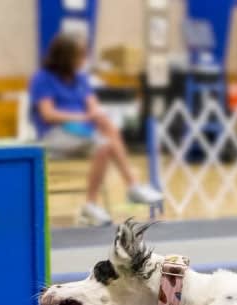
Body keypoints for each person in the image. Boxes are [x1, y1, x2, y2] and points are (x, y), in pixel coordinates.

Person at [30, 33, 163, 226]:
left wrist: (97, 115)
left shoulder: (81, 78)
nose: (84, 59)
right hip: (56, 134)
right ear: (66, 57)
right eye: (80, 55)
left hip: (83, 133)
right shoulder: (43, 78)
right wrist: (83, 117)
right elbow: (48, 114)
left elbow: (92, 105)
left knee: (107, 133)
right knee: (104, 143)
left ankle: (118, 193)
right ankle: (116, 193)